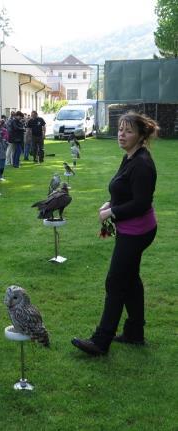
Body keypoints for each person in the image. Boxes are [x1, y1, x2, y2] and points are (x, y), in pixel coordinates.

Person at [72, 112, 159, 356]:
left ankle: (101, 341)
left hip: (137, 231)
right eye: (120, 129)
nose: (122, 134)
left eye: (128, 131)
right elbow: (123, 188)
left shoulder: (142, 164)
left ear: (141, 136)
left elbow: (141, 203)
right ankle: (134, 333)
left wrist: (111, 213)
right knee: (130, 279)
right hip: (131, 229)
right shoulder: (130, 158)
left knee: (116, 282)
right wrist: (109, 202)